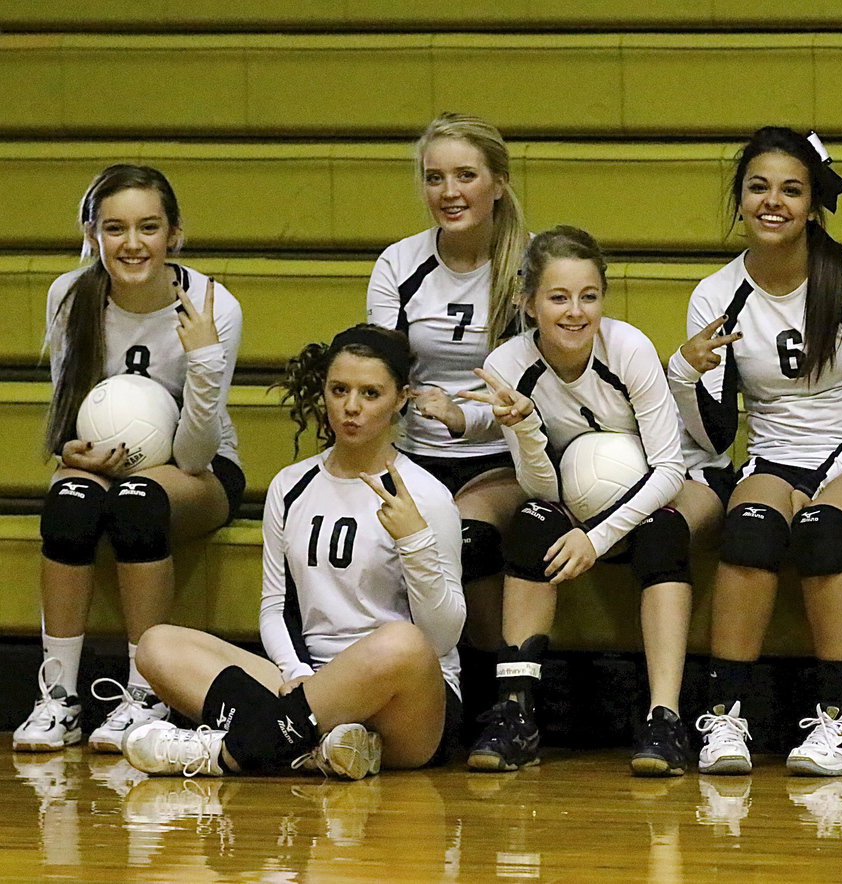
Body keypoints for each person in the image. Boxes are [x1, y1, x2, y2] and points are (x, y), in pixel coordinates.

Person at [669, 127, 842, 777]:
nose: (772, 202)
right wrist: (681, 373)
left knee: (823, 528)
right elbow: (715, 436)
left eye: (790, 189)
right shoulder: (716, 293)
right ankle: (726, 718)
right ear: (740, 199)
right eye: (758, 187)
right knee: (747, 528)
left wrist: (826, 478)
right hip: (772, 459)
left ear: (813, 204)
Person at [119, 324, 465, 778]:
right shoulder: (291, 485)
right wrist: (297, 671)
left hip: (404, 702)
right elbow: (275, 607)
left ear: (400, 398)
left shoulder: (427, 495)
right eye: (339, 390)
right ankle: (319, 750)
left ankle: (220, 754)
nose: (352, 407)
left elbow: (440, 639)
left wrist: (415, 542)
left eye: (371, 393)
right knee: (156, 645)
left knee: (401, 644)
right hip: (308, 683)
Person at [460, 226, 721, 777]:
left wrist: (596, 537)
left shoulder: (627, 347)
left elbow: (669, 466)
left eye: (589, 296)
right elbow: (542, 488)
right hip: (570, 491)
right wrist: (527, 429)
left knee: (662, 533)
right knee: (531, 521)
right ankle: (517, 711)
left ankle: (665, 718)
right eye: (558, 297)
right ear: (527, 303)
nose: (576, 312)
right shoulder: (509, 366)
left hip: (673, 481)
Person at [16, 164, 245, 754]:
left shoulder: (212, 305)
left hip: (199, 468)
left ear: (175, 234)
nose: (133, 243)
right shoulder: (71, 294)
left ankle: (144, 695)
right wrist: (72, 450)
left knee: (138, 503)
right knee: (68, 501)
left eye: (149, 227)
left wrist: (204, 361)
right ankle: (59, 698)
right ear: (92, 233)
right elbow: (68, 419)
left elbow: (195, 453)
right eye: (115, 228)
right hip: (103, 465)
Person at [366, 112, 528, 653]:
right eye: (435, 178)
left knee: (465, 540)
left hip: (503, 456)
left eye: (465, 176)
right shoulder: (399, 262)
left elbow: (544, 387)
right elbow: (377, 368)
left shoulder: (531, 266)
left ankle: (485, 685)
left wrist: (468, 416)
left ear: (499, 183)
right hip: (415, 451)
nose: (449, 192)